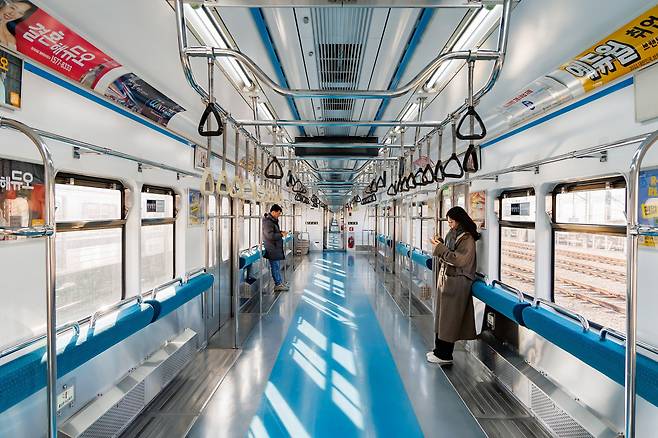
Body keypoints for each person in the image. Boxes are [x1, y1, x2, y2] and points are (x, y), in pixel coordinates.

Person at [426, 206, 479, 365]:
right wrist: (440, 243)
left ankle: (445, 355)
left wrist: (440, 248)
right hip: (447, 281)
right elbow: (448, 251)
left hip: (457, 283)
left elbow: (459, 259)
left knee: (449, 321)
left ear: (459, 221)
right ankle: (438, 350)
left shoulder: (467, 239)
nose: (449, 225)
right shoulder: (453, 234)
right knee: (442, 319)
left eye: (451, 222)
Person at [262, 204, 289, 292]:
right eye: (278, 214)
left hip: (274, 247)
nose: (279, 216)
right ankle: (278, 284)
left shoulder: (273, 221)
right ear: (273, 212)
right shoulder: (268, 222)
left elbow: (274, 232)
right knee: (275, 266)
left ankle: (279, 283)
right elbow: (269, 236)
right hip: (272, 248)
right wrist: (281, 234)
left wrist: (280, 232)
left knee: (276, 266)